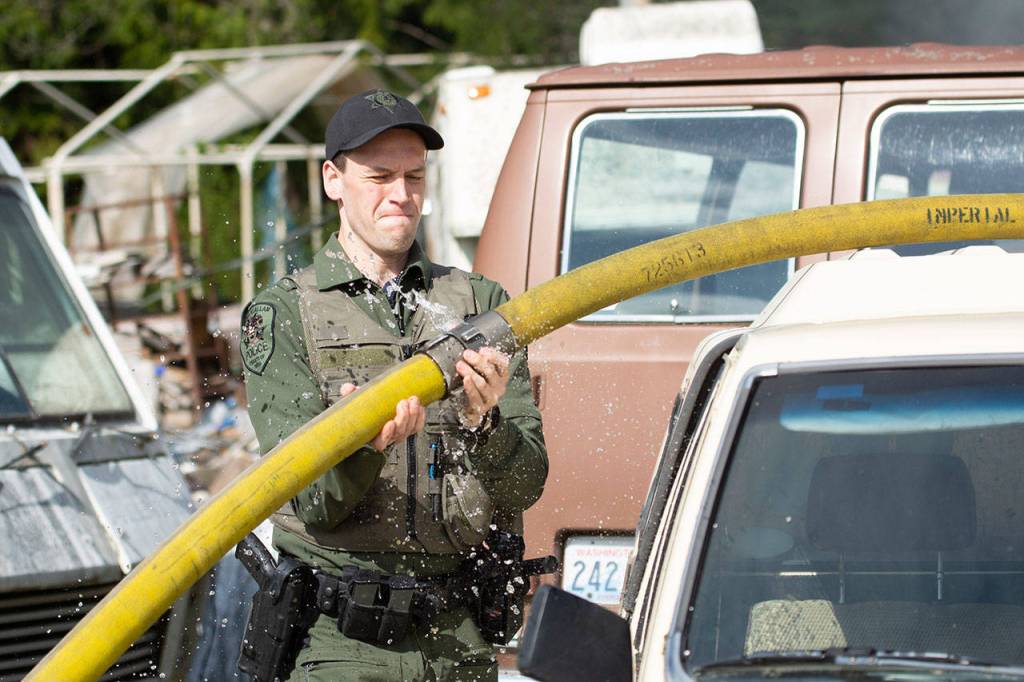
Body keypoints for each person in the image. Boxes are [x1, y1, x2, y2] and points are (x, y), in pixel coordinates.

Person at [240, 88, 548, 682]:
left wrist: (486, 426)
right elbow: (308, 500)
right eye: (379, 176)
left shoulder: (482, 304)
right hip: (340, 644)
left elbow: (524, 486)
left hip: (458, 638)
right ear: (334, 180)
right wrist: (363, 446)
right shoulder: (283, 315)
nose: (401, 195)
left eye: (414, 176)